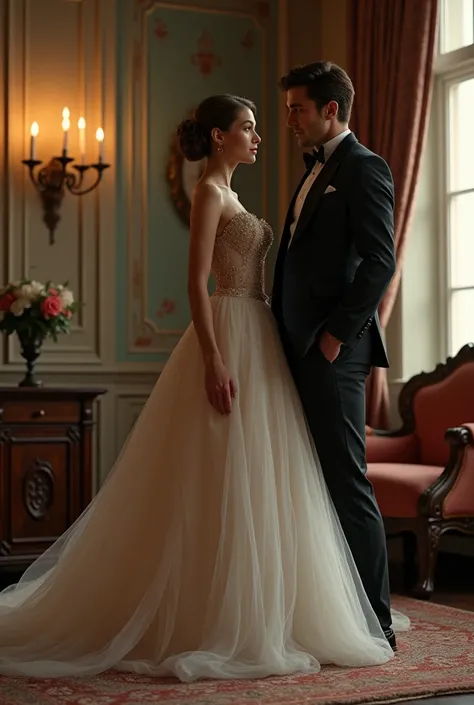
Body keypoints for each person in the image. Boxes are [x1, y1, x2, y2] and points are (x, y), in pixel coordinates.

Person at [0, 94, 404, 683]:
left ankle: (269, 608)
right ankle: (211, 612)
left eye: (260, 128)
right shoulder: (211, 193)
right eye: (248, 128)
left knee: (263, 473)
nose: (259, 136)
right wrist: (213, 357)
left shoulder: (238, 194)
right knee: (219, 471)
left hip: (260, 335)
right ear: (219, 138)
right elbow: (195, 281)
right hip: (229, 335)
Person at [272, 61, 399, 650]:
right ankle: (329, 613)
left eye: (298, 107)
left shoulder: (365, 168)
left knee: (347, 482)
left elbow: (380, 262)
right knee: (309, 481)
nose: (289, 119)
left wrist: (333, 338)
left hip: (333, 352)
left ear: (331, 110)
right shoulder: (314, 170)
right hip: (295, 346)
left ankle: (377, 625)